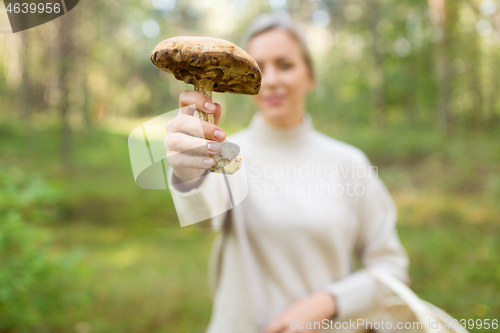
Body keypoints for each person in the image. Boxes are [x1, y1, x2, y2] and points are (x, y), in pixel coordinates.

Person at [164, 12, 410, 333]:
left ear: (310, 76)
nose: (273, 80)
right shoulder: (227, 151)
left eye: (285, 64)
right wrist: (187, 168)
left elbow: (391, 268)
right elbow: (203, 218)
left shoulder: (349, 163)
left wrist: (327, 303)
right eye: (259, 67)